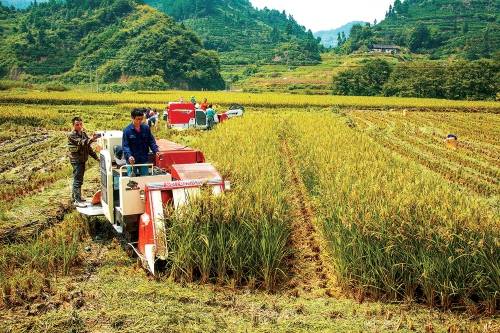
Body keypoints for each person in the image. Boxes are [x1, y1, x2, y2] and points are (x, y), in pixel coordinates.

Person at [67, 116, 99, 208]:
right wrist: (91, 139)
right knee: (77, 180)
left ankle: (77, 197)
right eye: (77, 124)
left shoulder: (83, 134)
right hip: (76, 160)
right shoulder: (71, 135)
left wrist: (96, 158)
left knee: (79, 179)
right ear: (73, 125)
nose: (79, 126)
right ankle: (77, 200)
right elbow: (81, 143)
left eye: (81, 124)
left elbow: (88, 148)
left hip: (82, 159)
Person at [122, 109, 159, 176]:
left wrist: (156, 151)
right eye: (137, 119)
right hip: (132, 161)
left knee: (145, 179)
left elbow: (151, 141)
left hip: (143, 159)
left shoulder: (146, 128)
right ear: (132, 118)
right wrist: (129, 156)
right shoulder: (127, 131)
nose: (139, 121)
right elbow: (125, 146)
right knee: (132, 182)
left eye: (141, 119)